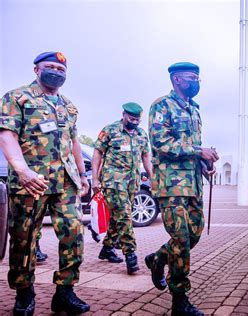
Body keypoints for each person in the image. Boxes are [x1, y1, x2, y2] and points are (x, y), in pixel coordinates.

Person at [0, 52, 90, 315]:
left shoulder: (69, 106)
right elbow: (7, 135)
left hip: (66, 183)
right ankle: (24, 294)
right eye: (50, 67)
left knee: (74, 235)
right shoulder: (17, 97)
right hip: (32, 182)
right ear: (36, 70)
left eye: (61, 68)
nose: (56, 71)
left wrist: (82, 176)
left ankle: (65, 292)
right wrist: (22, 170)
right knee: (24, 239)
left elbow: (74, 142)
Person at [146, 62, 219, 315]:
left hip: (194, 186)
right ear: (176, 79)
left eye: (198, 77)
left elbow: (193, 149)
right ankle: (180, 300)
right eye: (191, 77)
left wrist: (205, 165)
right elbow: (161, 142)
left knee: (194, 235)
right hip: (171, 186)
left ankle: (158, 259)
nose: (196, 81)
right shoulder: (161, 105)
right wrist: (199, 151)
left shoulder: (195, 111)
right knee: (181, 240)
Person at [91, 102, 153, 274]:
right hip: (113, 181)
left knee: (118, 217)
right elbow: (97, 153)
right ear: (124, 115)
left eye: (137, 120)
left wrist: (153, 178)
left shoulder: (141, 134)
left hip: (132, 182)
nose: (135, 122)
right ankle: (130, 254)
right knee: (125, 216)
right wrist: (95, 179)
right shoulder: (110, 130)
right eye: (132, 118)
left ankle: (107, 248)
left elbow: (146, 158)